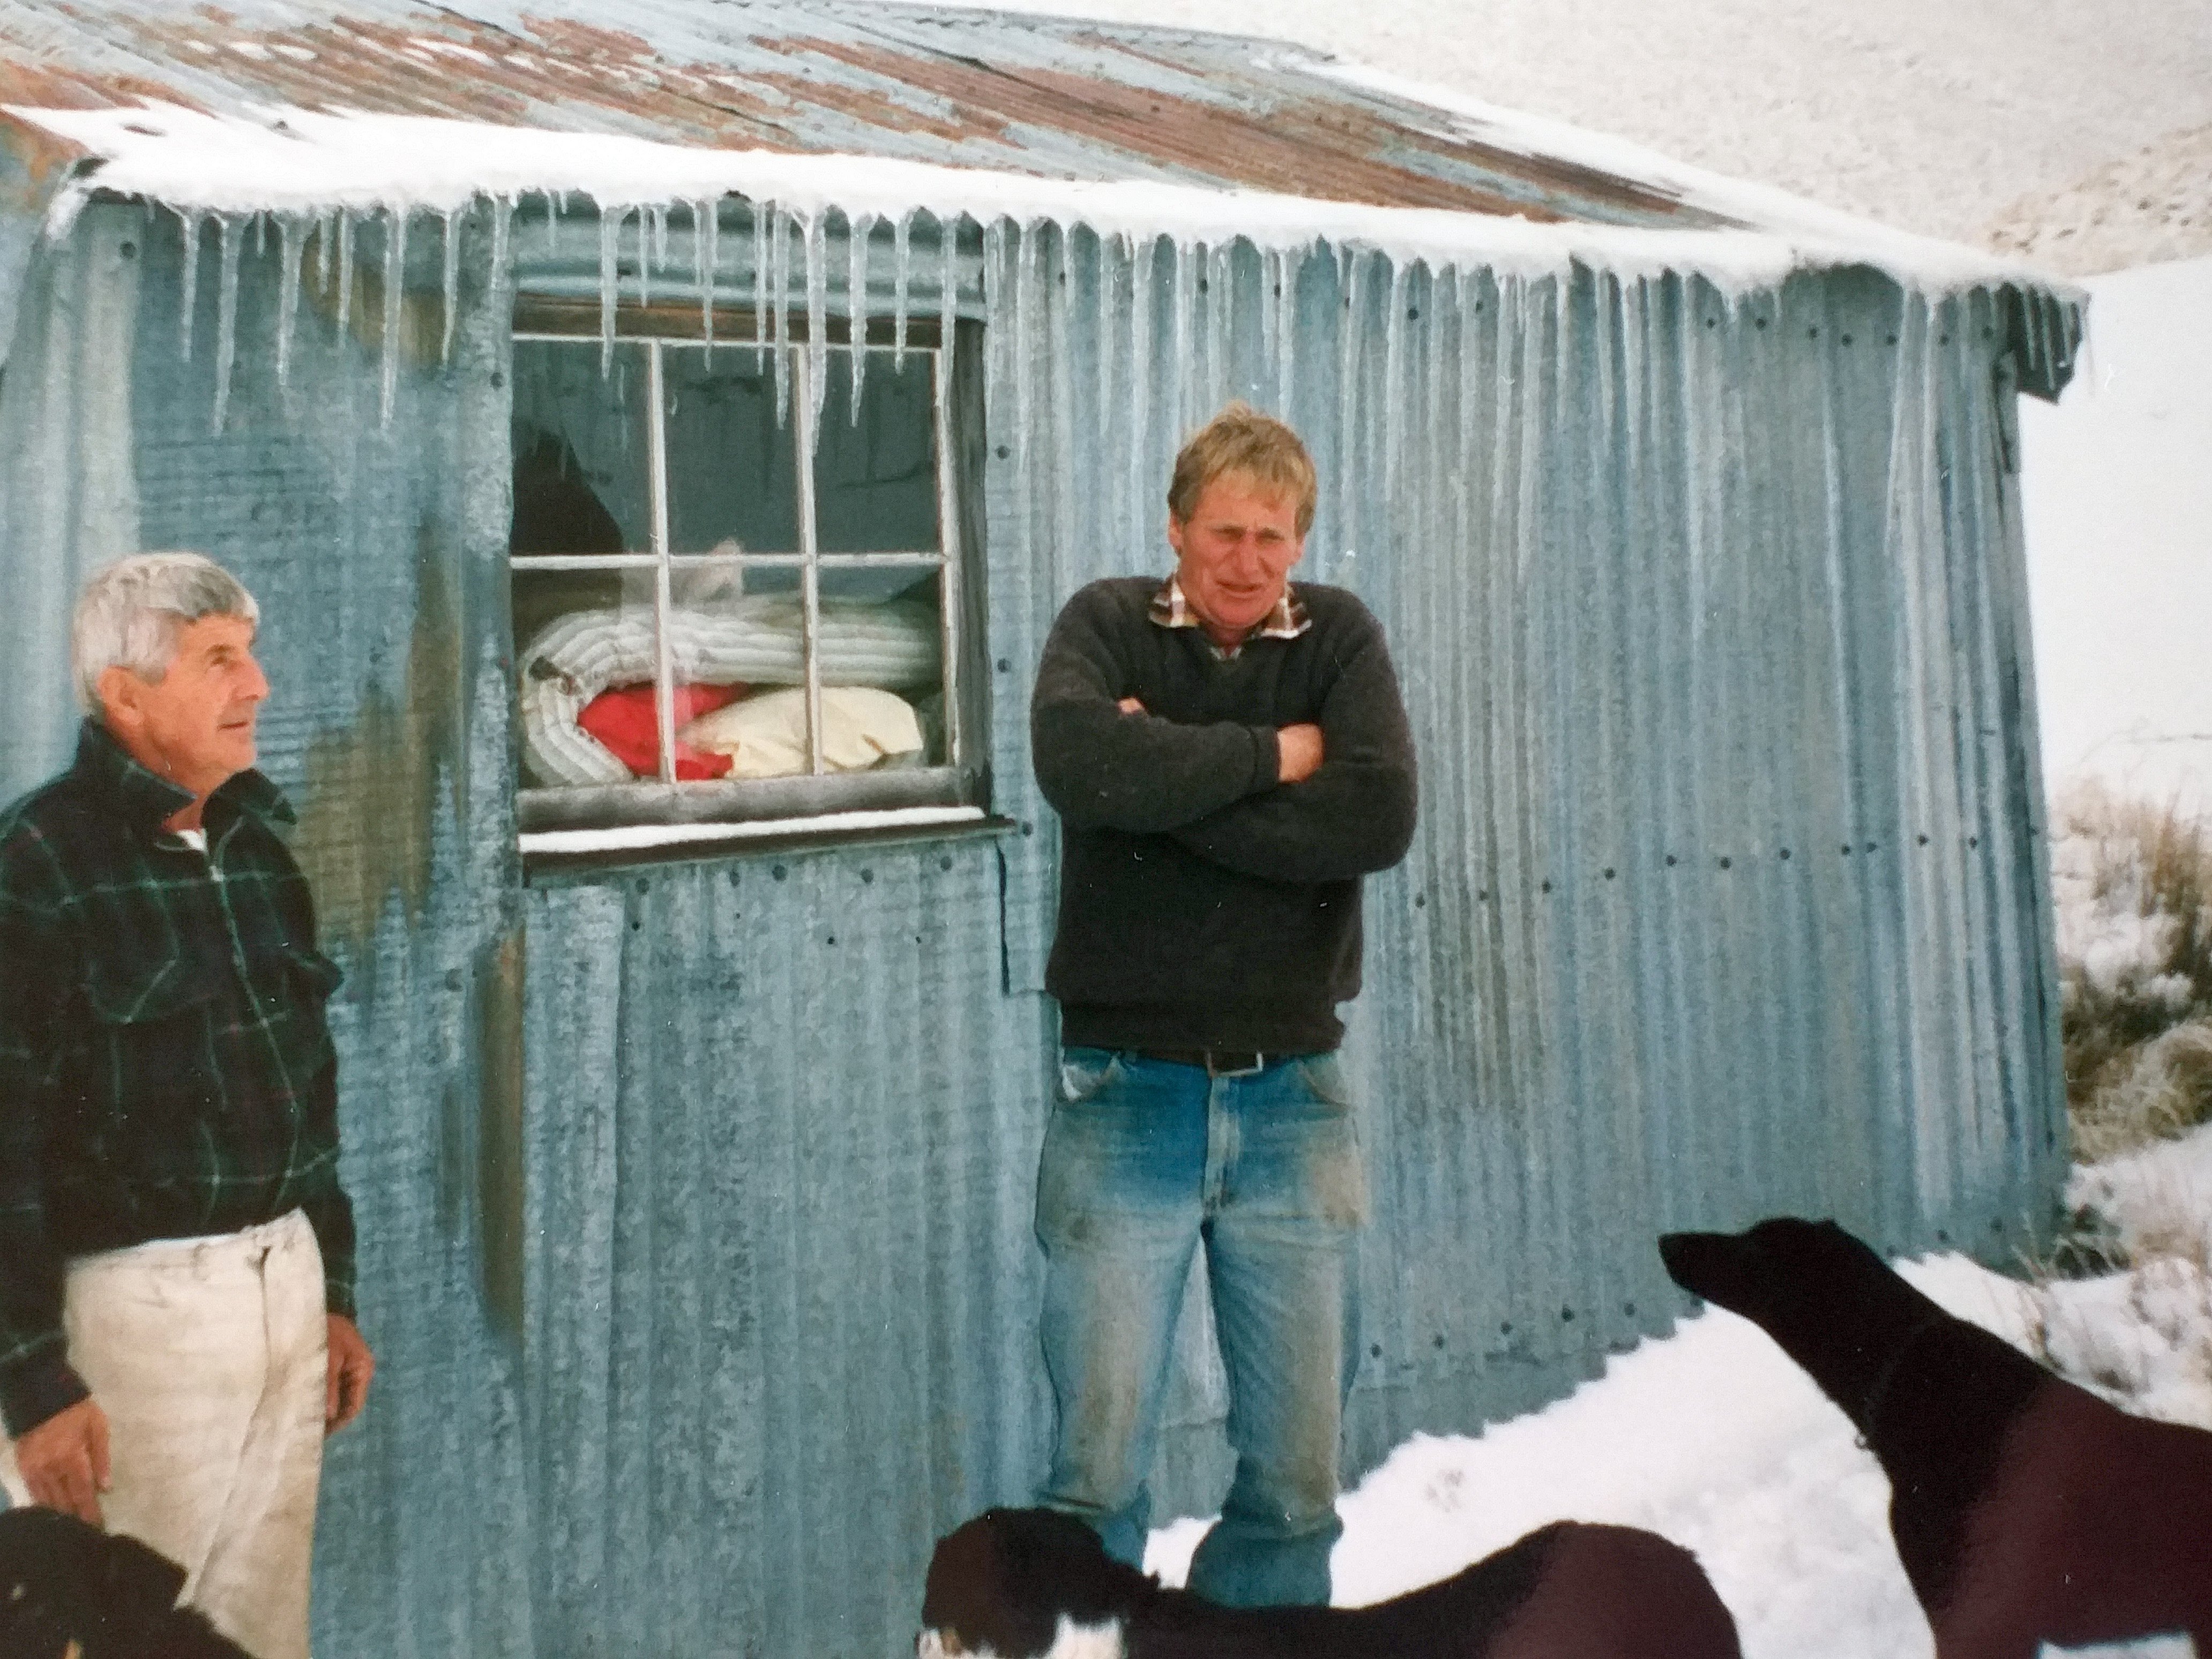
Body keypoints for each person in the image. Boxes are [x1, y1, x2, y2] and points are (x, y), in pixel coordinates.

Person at [1028, 401, 1418, 1607]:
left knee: (1298, 1482)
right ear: (1175, 530)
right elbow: (1078, 763)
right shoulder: (1105, 621)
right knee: (1095, 1479)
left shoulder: (1340, 640)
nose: (1245, 560)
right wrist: (1275, 756)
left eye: (1272, 535)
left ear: (1300, 539)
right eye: (1221, 532)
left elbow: (1376, 819)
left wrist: (1169, 786)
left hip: (1296, 1098)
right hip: (1125, 1095)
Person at [0, 552, 373, 1659]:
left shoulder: (258, 848)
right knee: (117, 1633)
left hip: (282, 1295)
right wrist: (34, 1379)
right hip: (132, 1318)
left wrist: (333, 1292)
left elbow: (306, 1088)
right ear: (127, 693)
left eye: (250, 657)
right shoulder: (38, 863)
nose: (255, 686)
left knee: (255, 1635)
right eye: (220, 661)